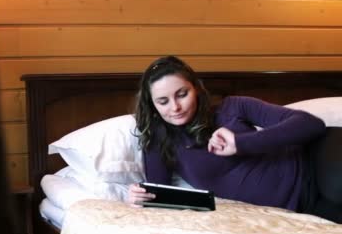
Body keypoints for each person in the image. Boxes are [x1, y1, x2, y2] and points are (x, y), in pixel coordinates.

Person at [126, 55, 342, 223]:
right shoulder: (159, 140)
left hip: (318, 161)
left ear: (196, 89)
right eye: (163, 101)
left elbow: (310, 124)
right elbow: (161, 196)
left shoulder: (233, 107)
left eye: (182, 94)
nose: (175, 107)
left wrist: (241, 144)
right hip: (302, 204)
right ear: (152, 105)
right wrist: (140, 197)